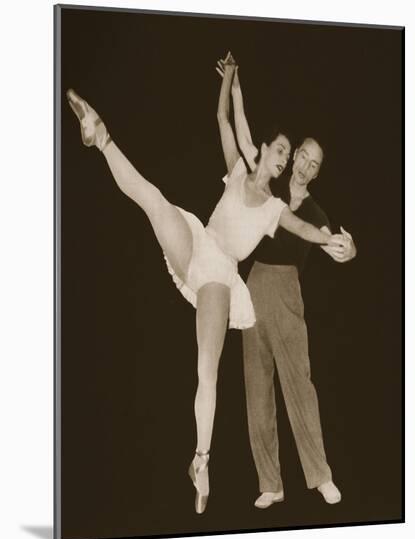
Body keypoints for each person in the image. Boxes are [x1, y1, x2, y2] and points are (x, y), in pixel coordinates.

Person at [66, 57, 345, 514]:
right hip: (197, 241)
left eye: (286, 155)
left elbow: (306, 229)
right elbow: (225, 118)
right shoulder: (237, 167)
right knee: (154, 200)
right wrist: (232, 82)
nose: (281, 158)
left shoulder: (275, 209)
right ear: (267, 149)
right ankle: (100, 136)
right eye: (279, 149)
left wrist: (333, 238)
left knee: (207, 367)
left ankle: (201, 460)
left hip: (219, 275)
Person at [218, 57, 356, 508]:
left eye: (316, 165)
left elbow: (333, 244)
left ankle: (320, 476)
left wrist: (348, 247)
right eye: (304, 157)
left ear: (316, 172)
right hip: (253, 285)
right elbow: (241, 131)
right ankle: (271, 484)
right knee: (257, 387)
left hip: (287, 291)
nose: (307, 167)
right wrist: (235, 89)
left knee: (300, 382)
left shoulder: (315, 213)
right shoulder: (270, 182)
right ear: (292, 156)